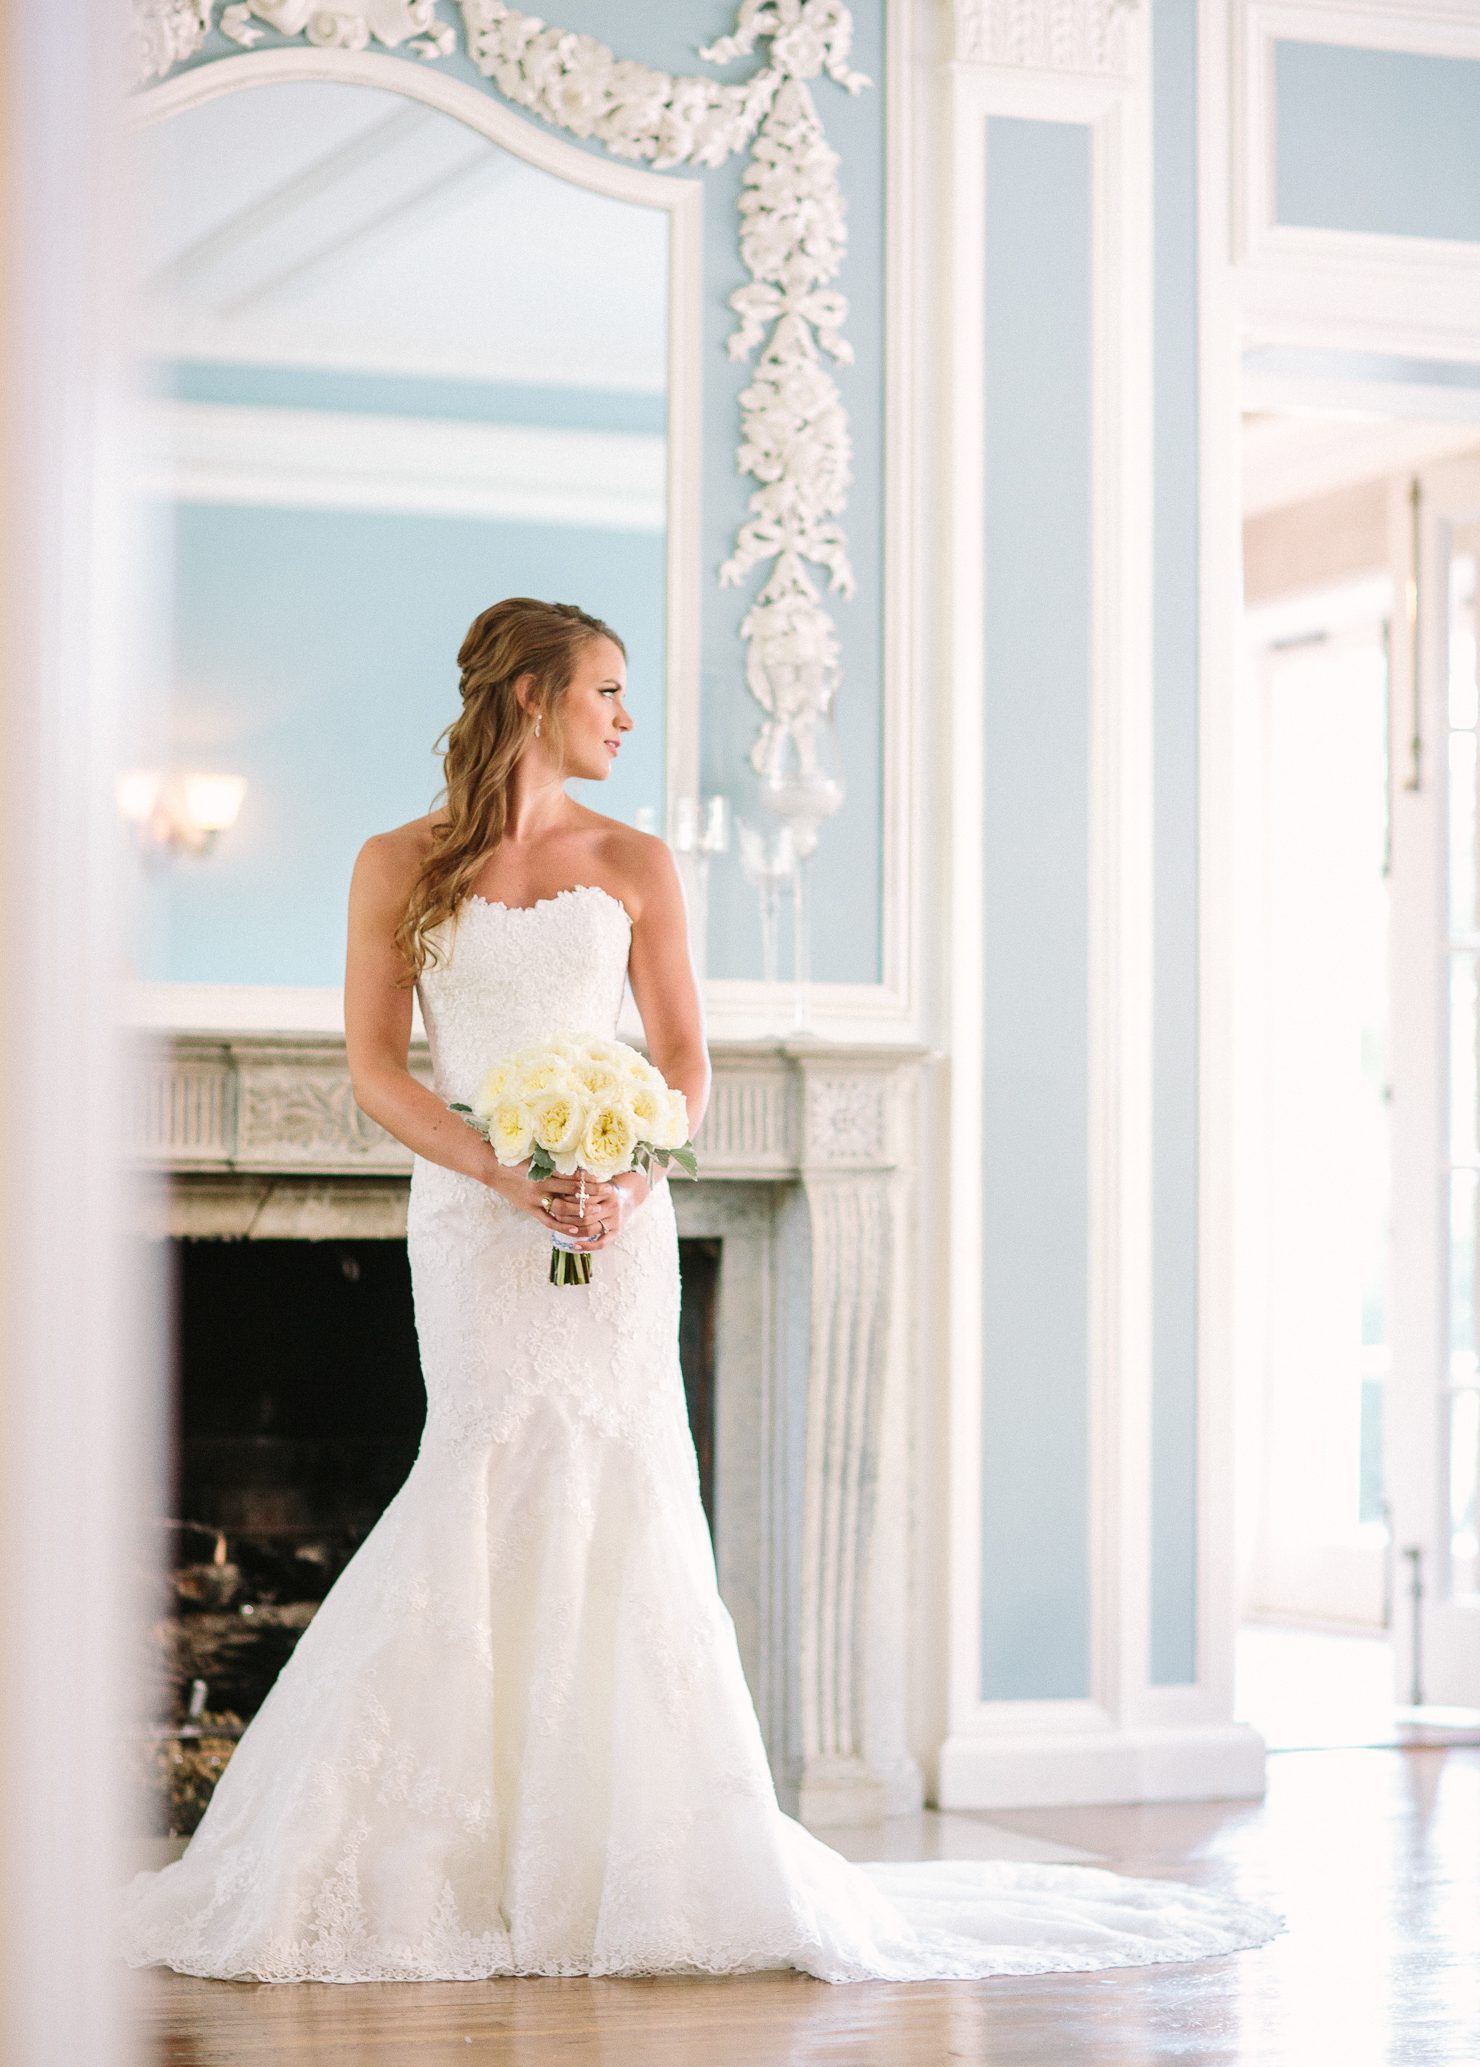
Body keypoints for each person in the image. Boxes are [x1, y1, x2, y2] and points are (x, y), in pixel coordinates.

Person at [120, 596, 1286, 1982]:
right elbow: (380, 1072)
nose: (624, 718)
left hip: (615, 1218)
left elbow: (684, 1063)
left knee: (621, 1489)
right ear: (533, 695)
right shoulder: (397, 862)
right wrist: (504, 1173)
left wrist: (622, 1171)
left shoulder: (637, 863)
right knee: (478, 1471)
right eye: (607, 690)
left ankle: (635, 1864)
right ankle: (431, 1852)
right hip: (475, 1217)